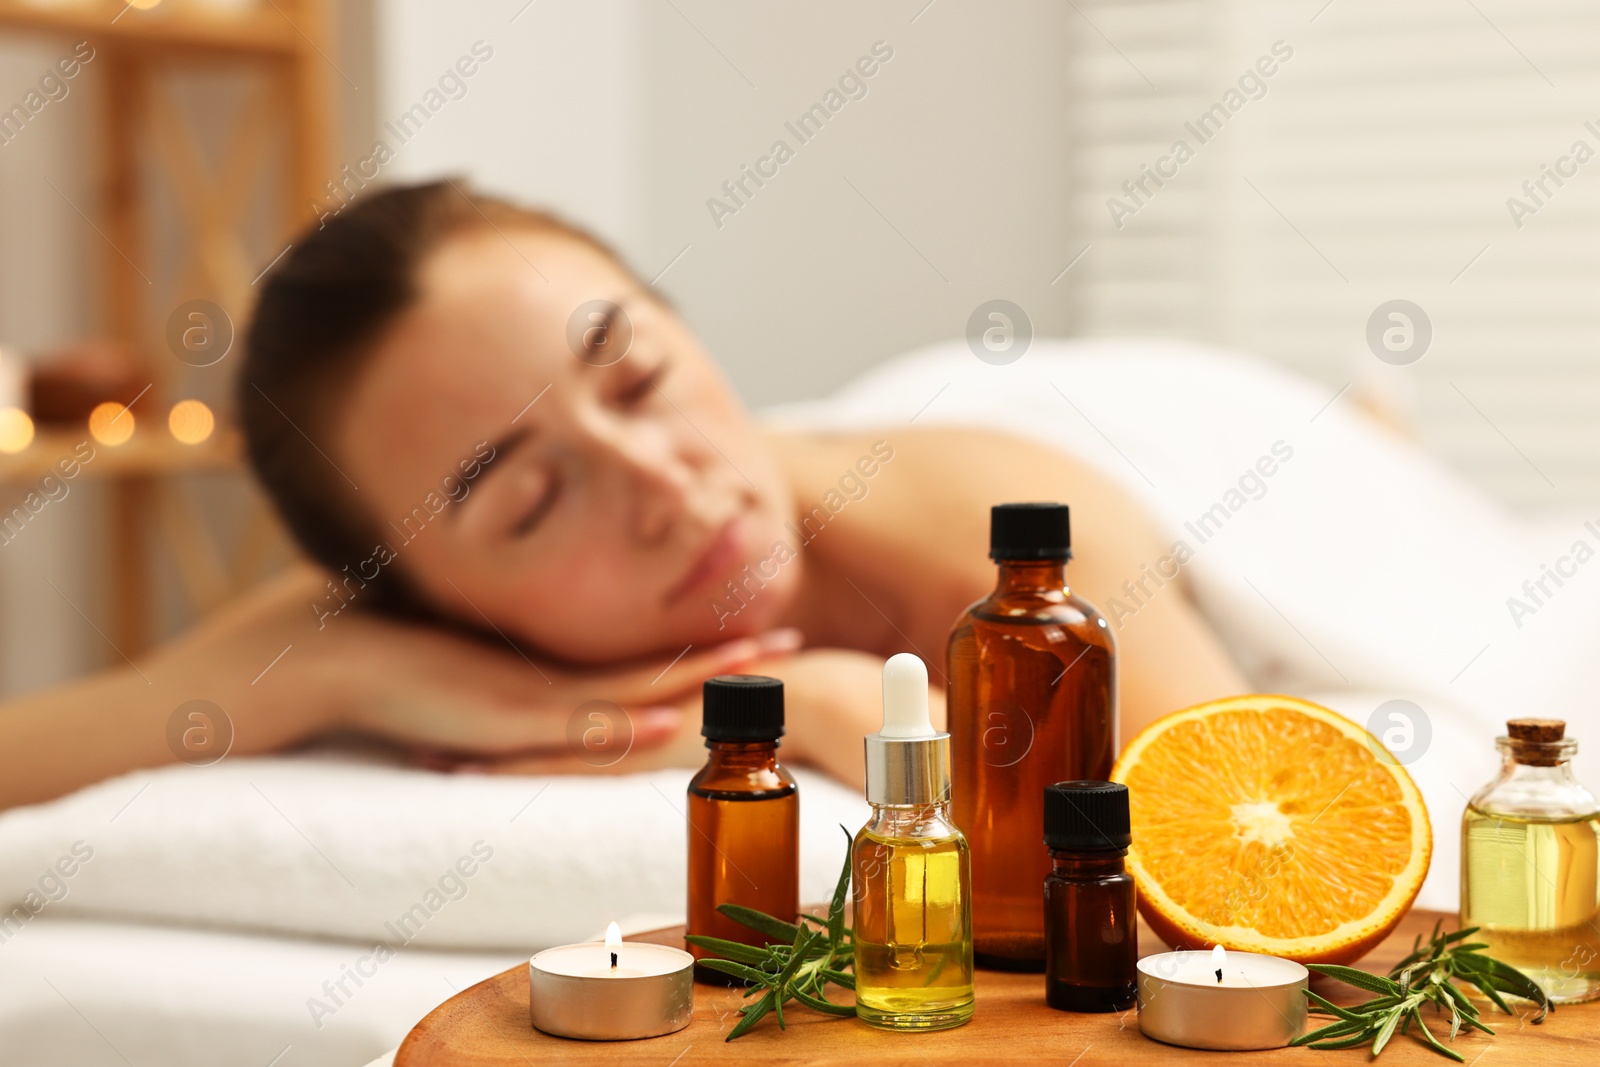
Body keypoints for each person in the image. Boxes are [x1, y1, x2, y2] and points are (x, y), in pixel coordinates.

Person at [0, 181, 1245, 810]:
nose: (663, 483)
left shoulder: (993, 523)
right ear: (428, 599)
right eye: (533, 501)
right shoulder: (376, 612)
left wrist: (834, 708)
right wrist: (347, 674)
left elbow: (1232, 831)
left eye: (638, 378)